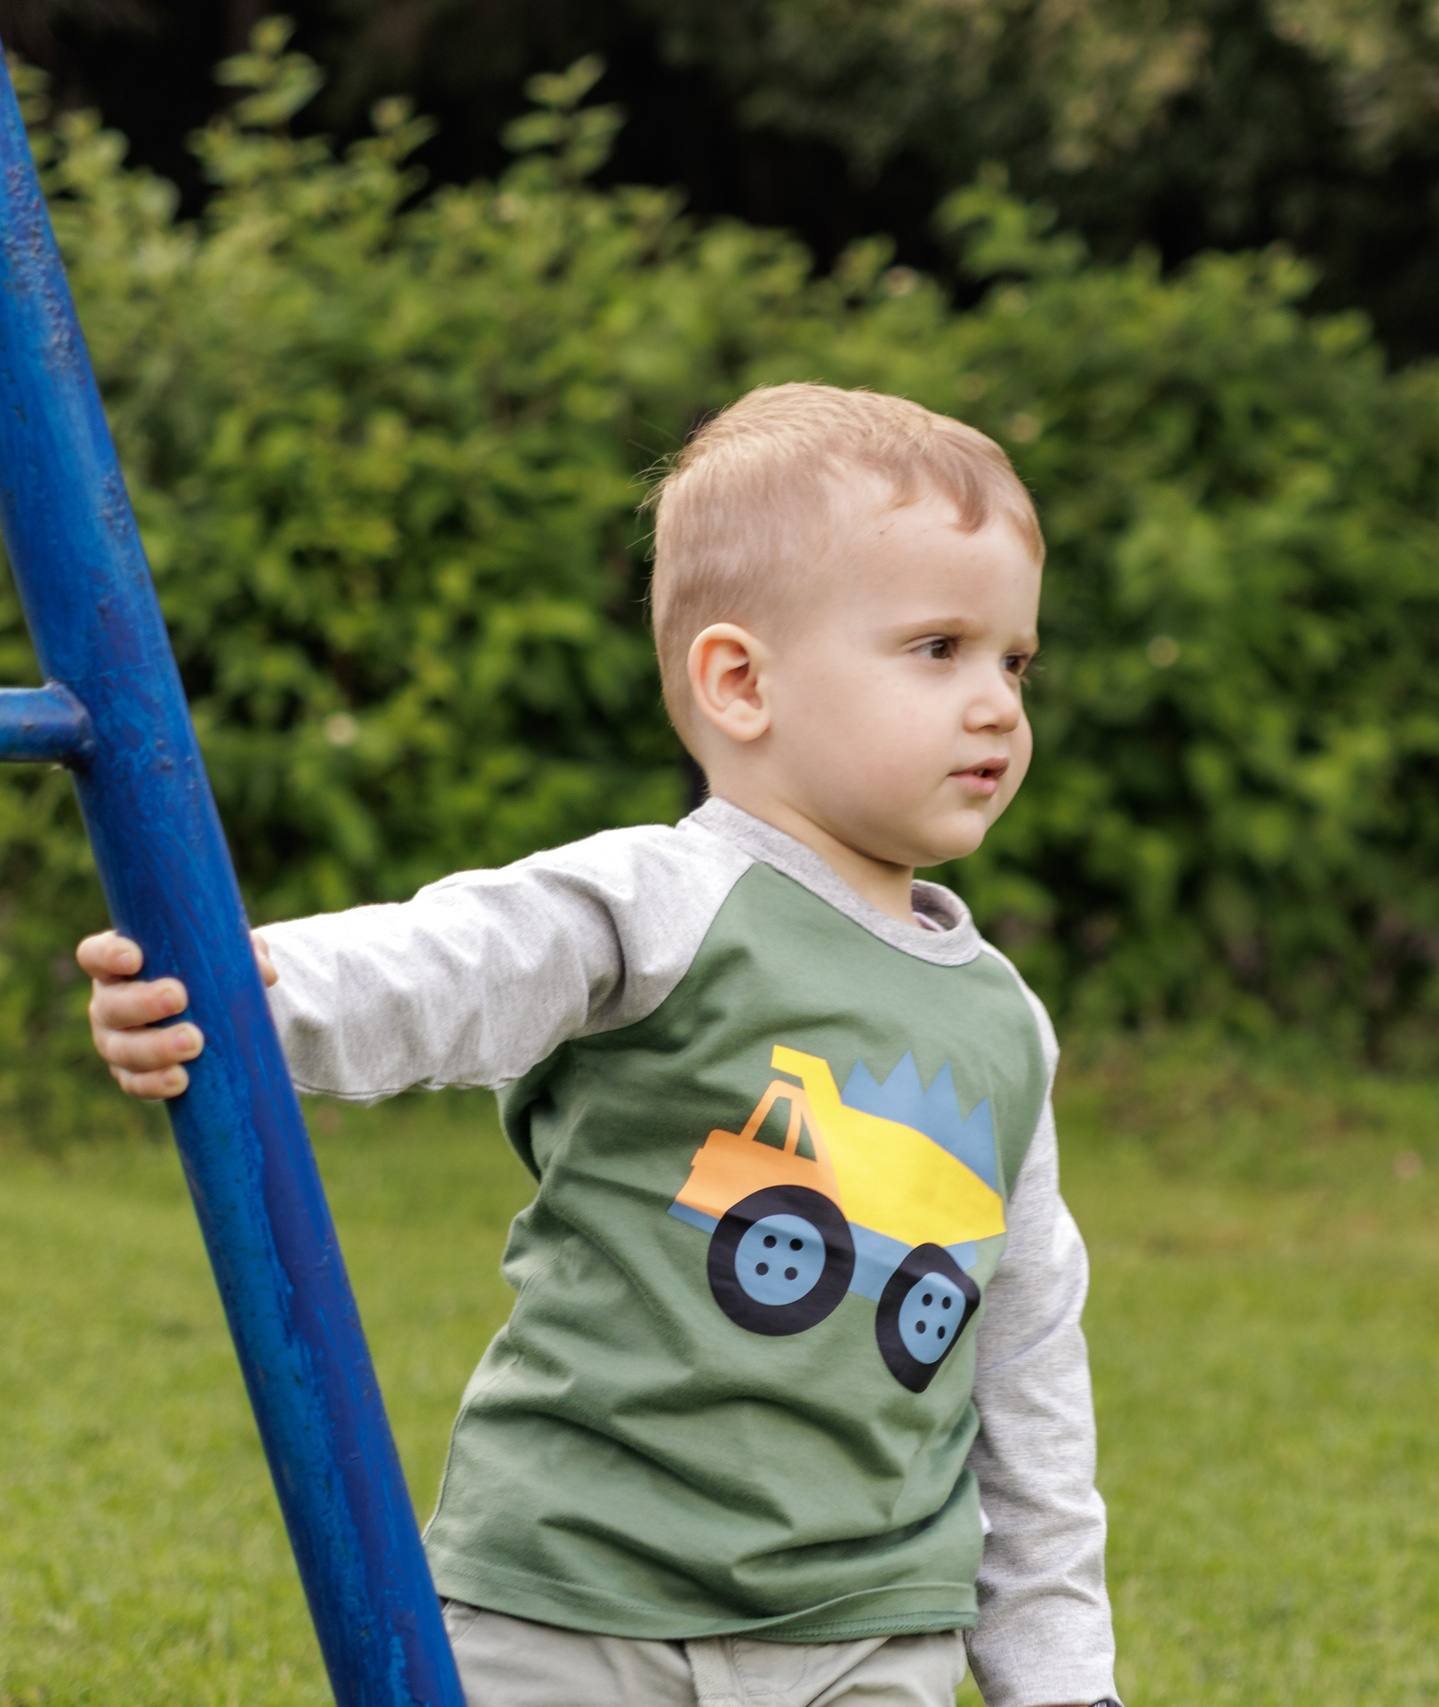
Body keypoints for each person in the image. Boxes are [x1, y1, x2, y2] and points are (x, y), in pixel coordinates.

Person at [76, 383, 1121, 1707]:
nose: (996, 707)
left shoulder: (999, 1021)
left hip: (870, 1628)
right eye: (938, 650)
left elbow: (1026, 1366)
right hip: (573, 1602)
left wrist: (1060, 1674)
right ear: (740, 681)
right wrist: (243, 991)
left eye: (1013, 662)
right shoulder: (663, 903)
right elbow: (453, 960)